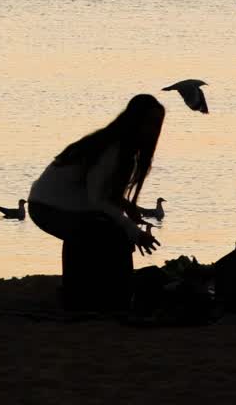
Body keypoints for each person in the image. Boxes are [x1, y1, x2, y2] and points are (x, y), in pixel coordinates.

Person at [27, 94, 165, 311]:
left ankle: (100, 295)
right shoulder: (112, 148)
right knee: (103, 233)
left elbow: (102, 193)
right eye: (149, 122)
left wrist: (127, 208)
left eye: (157, 124)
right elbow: (98, 198)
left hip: (66, 206)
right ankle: (88, 297)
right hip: (47, 207)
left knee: (107, 232)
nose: (153, 129)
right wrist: (134, 232)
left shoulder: (122, 148)